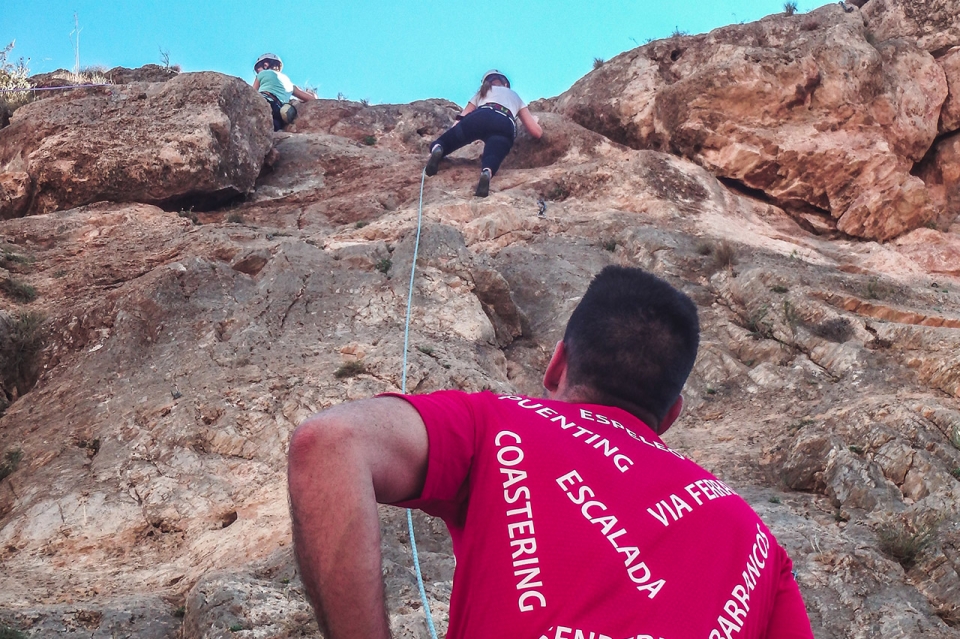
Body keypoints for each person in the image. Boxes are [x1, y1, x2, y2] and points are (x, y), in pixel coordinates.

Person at [288, 266, 814, 639]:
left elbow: (330, 443)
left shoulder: (499, 424)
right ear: (671, 415)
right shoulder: (759, 547)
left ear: (557, 365)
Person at [424, 69, 543, 197]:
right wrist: (535, 121)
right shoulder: (515, 96)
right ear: (505, 84)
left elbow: (461, 118)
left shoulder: (482, 92)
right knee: (495, 152)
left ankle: (439, 148)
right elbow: (536, 133)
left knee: (448, 141)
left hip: (480, 116)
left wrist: (451, 135)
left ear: (486, 83)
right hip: (504, 121)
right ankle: (487, 171)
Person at [252, 53, 316, 131]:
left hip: (265, 100)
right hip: (280, 110)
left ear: (265, 65)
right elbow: (312, 98)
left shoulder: (263, 73)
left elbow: (252, 93)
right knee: (276, 124)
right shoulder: (289, 83)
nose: (258, 72)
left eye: (258, 69)